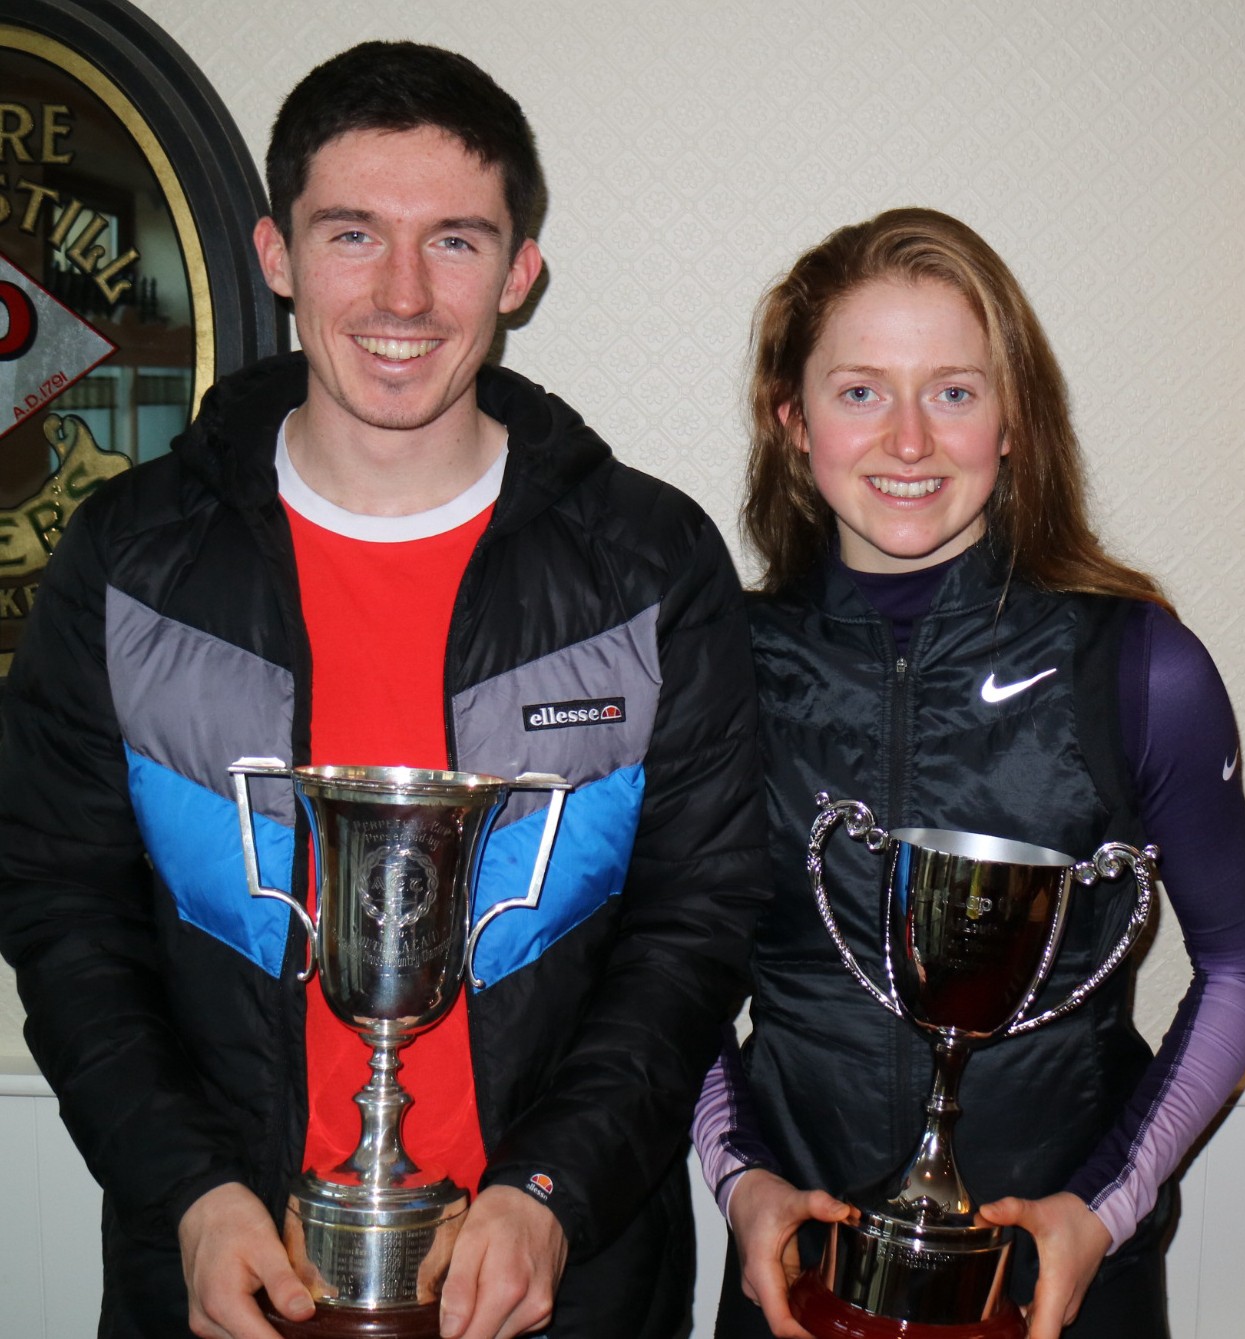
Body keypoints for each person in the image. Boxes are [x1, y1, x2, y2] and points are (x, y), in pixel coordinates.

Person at [0, 42, 768, 1339]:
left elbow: (697, 923)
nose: (402, 293)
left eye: (455, 241)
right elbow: (63, 907)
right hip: (226, 1276)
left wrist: (550, 1190)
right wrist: (189, 1191)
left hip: (557, 1282)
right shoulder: (130, 559)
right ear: (276, 255)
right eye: (352, 233)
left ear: (519, 271)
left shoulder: (648, 565)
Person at [690, 207, 1245, 1339]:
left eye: (953, 391)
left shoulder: (1138, 664)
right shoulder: (715, 664)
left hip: (1060, 1280)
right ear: (791, 419)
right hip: (798, 1273)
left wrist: (1102, 1207)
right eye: (861, 390)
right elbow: (668, 958)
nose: (909, 441)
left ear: (1012, 424)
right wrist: (741, 1179)